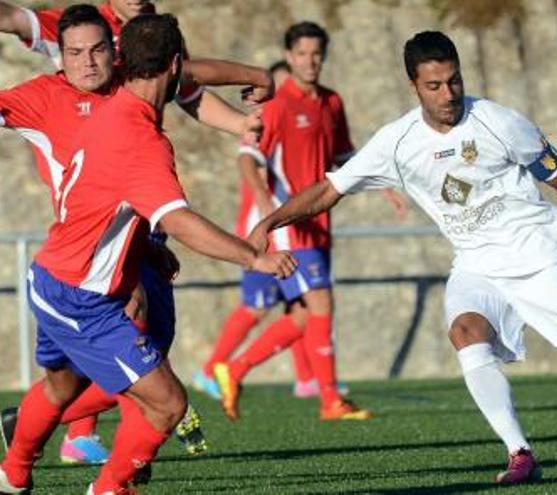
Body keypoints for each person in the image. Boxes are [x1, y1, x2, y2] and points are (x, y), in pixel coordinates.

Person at [248, 31, 557, 485]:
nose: (448, 93)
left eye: (454, 80)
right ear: (414, 86)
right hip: (476, 265)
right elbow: (329, 191)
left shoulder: (499, 121)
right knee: (465, 335)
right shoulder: (395, 143)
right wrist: (270, 223)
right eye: (434, 85)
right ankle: (519, 452)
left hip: (537, 256)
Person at [0, 14, 295, 494]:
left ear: (119, 55)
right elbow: (177, 218)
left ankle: (12, 474)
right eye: (73, 52)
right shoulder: (131, 135)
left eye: (97, 50)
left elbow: (192, 79)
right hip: (84, 292)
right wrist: (253, 257)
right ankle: (109, 486)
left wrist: (257, 78)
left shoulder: (119, 100)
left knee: (65, 384)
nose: (86, 61)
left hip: (66, 270)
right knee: (166, 402)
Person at [208, 22, 378, 422]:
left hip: (320, 223)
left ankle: (235, 369)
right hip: (291, 224)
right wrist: (267, 203)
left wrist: (382, 179)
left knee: (303, 316)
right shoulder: (278, 104)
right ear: (288, 56)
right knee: (321, 303)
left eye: (316, 53)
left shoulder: (332, 102)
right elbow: (248, 157)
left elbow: (342, 157)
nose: (310, 61)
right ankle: (330, 399)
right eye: (301, 54)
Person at [0, 0, 273, 136]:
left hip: (143, 157)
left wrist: (240, 124)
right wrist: (254, 75)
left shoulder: (160, 30)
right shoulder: (83, 27)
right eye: (77, 52)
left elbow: (188, 90)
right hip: (90, 163)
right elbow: (13, 18)